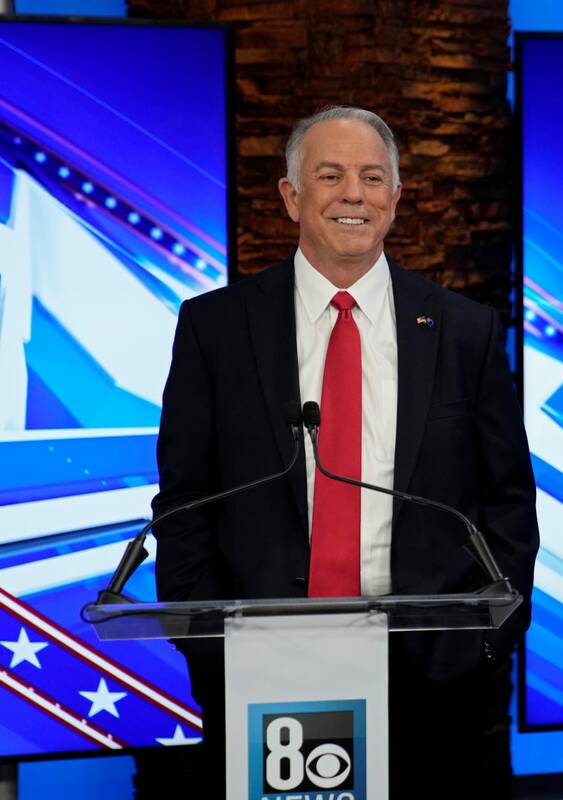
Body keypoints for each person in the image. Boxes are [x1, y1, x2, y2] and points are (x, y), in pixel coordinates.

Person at [151, 106, 538, 798]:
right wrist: (208, 642)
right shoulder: (215, 328)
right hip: (261, 667)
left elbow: (508, 503)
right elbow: (184, 501)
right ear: (291, 196)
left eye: (371, 177)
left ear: (396, 197)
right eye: (329, 176)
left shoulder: (463, 331)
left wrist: (481, 646)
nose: (352, 194)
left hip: (431, 675)